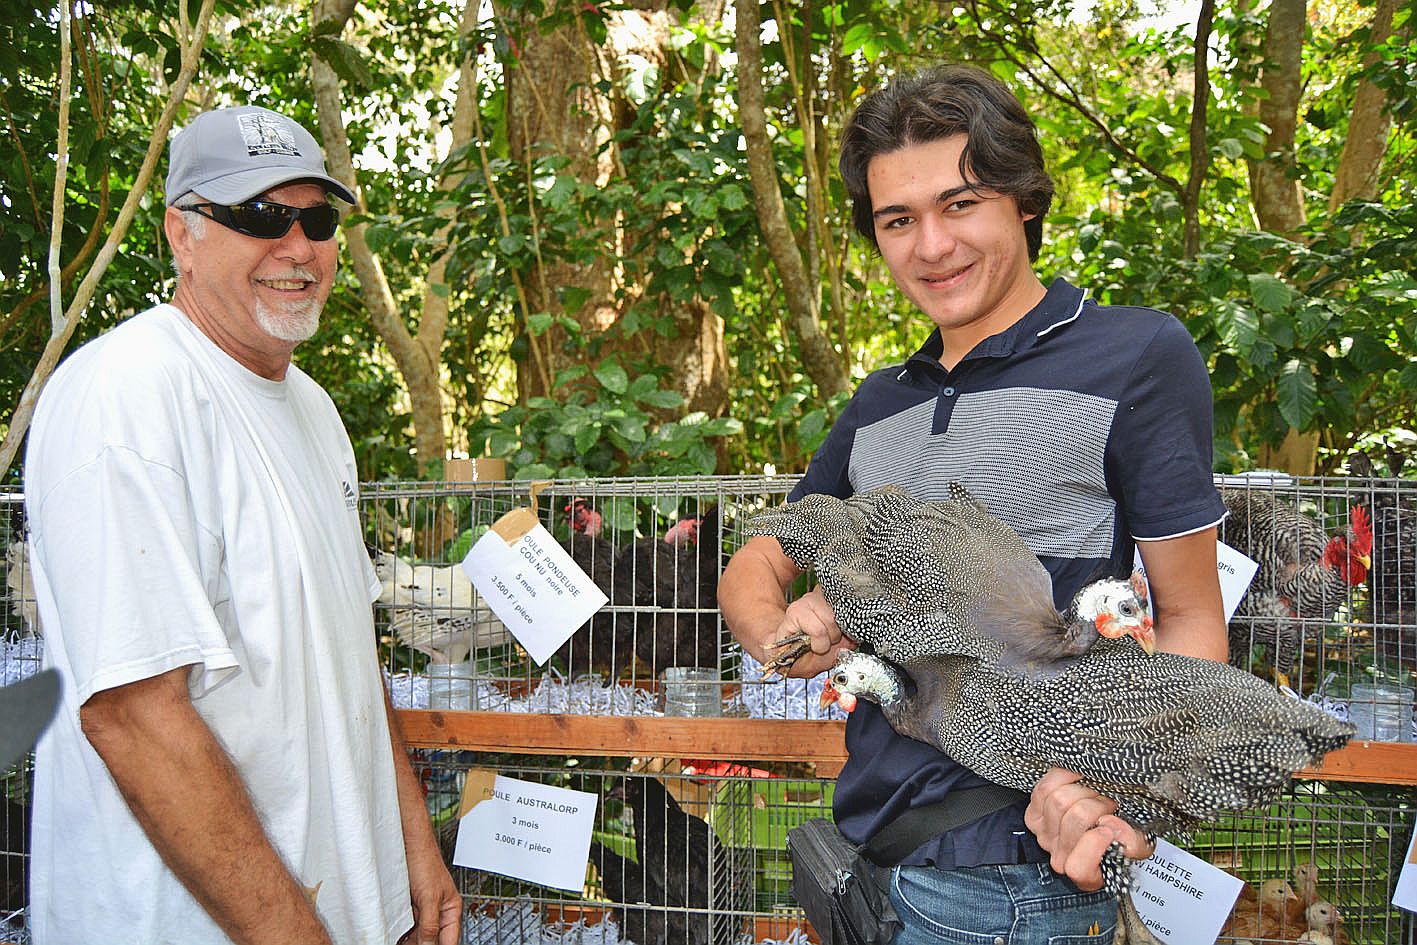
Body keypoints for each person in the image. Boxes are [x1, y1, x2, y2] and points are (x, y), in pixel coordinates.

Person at [720, 65, 1228, 944]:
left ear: (1023, 200)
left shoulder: (1134, 354)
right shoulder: (879, 403)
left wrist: (1120, 795)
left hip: (1010, 878)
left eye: (960, 204)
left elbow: (1189, 618)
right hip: (874, 856)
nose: (930, 245)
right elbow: (756, 559)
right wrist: (786, 629)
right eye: (897, 220)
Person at [24, 105, 460, 945]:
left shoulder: (313, 408)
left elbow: (346, 657)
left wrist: (413, 853)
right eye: (261, 215)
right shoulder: (128, 394)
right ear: (181, 234)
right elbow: (132, 715)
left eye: (318, 218)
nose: (297, 247)